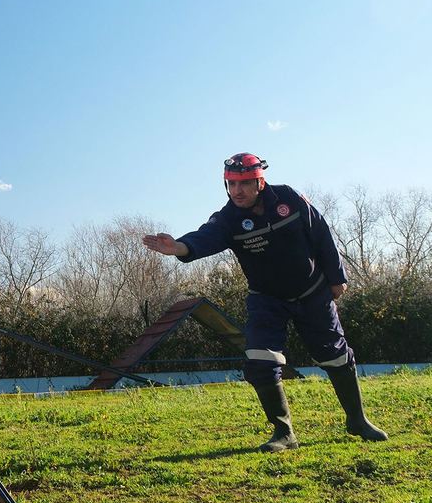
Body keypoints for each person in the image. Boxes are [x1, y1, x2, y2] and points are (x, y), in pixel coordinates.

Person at [142, 153, 388, 452]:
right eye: (231, 184)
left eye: (244, 183)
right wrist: (179, 247)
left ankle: (357, 421)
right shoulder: (228, 218)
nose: (237, 191)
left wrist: (337, 278)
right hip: (267, 299)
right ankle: (284, 433)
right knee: (260, 360)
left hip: (312, 292)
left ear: (260, 181)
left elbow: (321, 234)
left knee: (335, 357)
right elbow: (205, 237)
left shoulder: (289, 199)